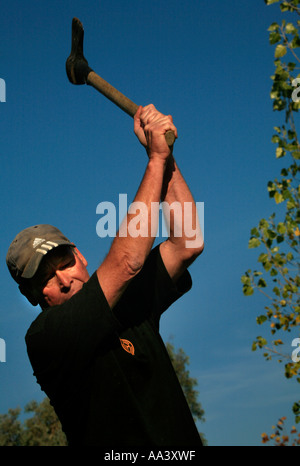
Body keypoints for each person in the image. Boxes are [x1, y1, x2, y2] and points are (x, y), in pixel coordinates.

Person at [6, 104, 204, 446]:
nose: (65, 280)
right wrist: (155, 160)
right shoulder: (46, 338)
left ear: (80, 255)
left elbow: (187, 241)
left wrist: (164, 155)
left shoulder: (128, 302)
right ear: (32, 296)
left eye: (64, 263)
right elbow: (127, 262)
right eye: (46, 279)